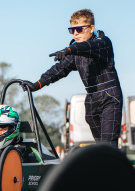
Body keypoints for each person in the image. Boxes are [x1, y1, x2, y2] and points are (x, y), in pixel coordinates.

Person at [24, 9, 123, 148]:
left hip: (109, 97)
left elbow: (90, 47)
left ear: (91, 28)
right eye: (72, 30)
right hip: (92, 99)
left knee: (108, 143)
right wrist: (37, 85)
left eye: (79, 29)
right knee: (101, 146)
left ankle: (113, 166)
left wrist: (69, 49)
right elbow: (59, 69)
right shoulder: (76, 51)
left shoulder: (103, 43)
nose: (75, 33)